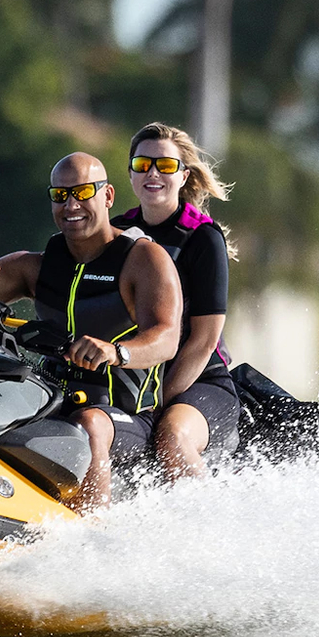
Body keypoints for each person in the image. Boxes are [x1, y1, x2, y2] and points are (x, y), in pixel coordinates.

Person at [0, 152, 181, 510]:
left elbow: (166, 337)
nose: (71, 204)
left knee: (89, 425)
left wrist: (115, 352)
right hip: (50, 403)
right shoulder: (37, 266)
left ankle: (94, 538)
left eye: (83, 192)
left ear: (108, 196)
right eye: (60, 195)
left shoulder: (143, 259)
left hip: (126, 417)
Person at [110, 121, 239, 482]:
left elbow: (204, 341)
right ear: (131, 173)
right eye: (142, 164)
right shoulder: (117, 232)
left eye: (165, 166)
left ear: (183, 176)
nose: (153, 173)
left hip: (198, 380)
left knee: (170, 438)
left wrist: (157, 401)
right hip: (131, 377)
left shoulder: (203, 238)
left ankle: (206, 530)